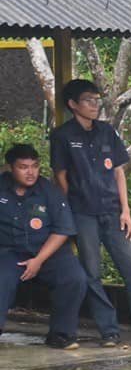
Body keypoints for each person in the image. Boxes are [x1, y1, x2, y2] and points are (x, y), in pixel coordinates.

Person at [48, 79, 131, 346]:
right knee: (91, 273)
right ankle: (109, 330)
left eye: (97, 100)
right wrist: (69, 213)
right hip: (82, 214)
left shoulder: (106, 131)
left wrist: (126, 211)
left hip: (113, 212)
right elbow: (61, 177)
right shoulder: (62, 136)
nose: (95, 105)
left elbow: (118, 173)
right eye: (89, 100)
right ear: (73, 104)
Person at [0, 143, 88, 349]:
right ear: (10, 168)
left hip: (48, 253)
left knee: (74, 278)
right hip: (10, 252)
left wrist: (38, 260)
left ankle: (61, 335)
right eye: (23, 167)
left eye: (35, 166)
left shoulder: (49, 191)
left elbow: (63, 230)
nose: (30, 172)